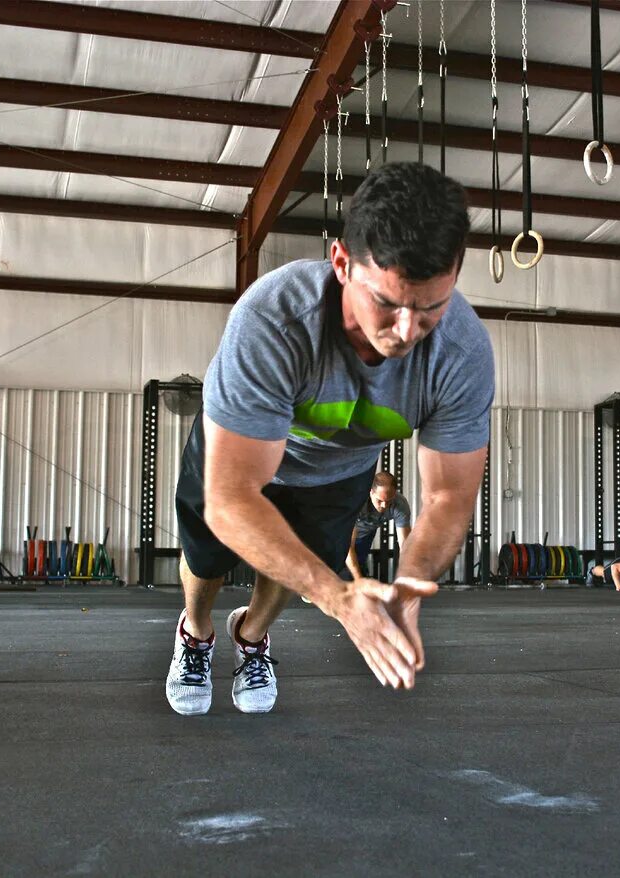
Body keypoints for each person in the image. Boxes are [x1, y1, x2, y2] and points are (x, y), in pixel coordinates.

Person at [165, 162, 494, 716]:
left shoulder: (461, 353)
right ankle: (196, 633)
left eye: (431, 307)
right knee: (207, 556)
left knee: (303, 562)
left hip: (340, 467)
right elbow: (231, 498)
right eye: (388, 303)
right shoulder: (274, 319)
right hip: (238, 449)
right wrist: (340, 599)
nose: (408, 331)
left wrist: (407, 590)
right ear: (342, 263)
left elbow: (447, 497)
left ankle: (251, 639)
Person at [344, 471, 411, 581]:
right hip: (340, 533)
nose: (384, 506)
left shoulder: (400, 505)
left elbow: (405, 546)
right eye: (380, 501)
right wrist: (360, 582)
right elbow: (348, 546)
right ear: (371, 492)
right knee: (334, 568)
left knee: (357, 569)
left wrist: (406, 581)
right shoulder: (358, 502)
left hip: (366, 533)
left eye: (389, 501)